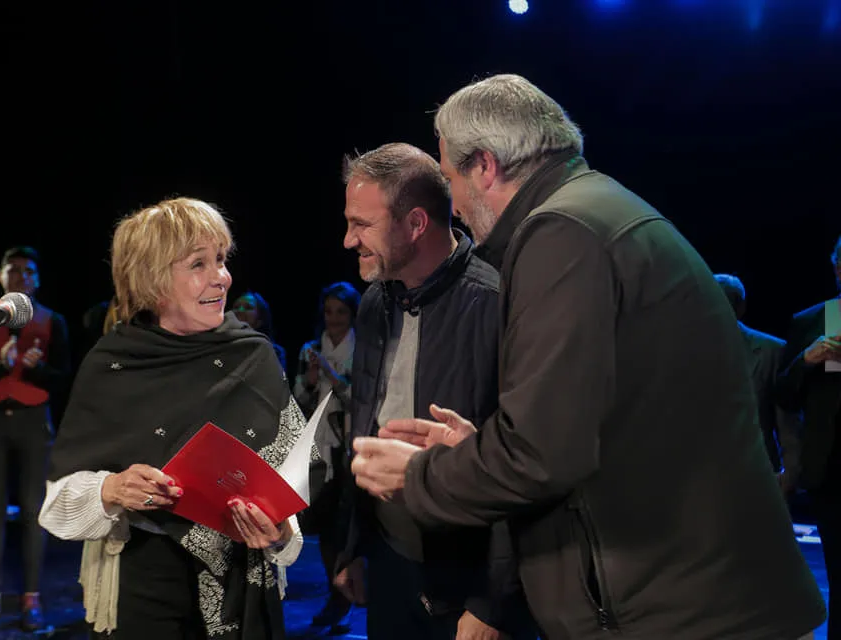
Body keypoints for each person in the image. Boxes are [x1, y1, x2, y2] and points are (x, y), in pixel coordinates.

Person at [350, 74, 825, 639]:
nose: (452, 206)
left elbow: (541, 454)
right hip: (706, 595)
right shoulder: (598, 210)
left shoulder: (560, 234)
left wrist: (420, 475)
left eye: (450, 177)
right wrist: (476, 449)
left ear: (485, 166)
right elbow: (598, 424)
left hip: (683, 610)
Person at [39, 197, 307, 639]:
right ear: (152, 279)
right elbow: (56, 504)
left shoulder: (252, 355)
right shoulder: (112, 364)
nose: (221, 277)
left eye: (221, 259)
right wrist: (112, 488)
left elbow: (292, 476)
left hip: (241, 582)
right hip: (143, 580)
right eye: (198, 264)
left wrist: (278, 530)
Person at [336, 143, 533, 640]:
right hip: (388, 564)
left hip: (468, 586)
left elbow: (529, 467)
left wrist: (495, 603)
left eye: (362, 225)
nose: (348, 240)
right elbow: (364, 424)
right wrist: (352, 546)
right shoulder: (374, 302)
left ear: (416, 224)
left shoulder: (496, 304)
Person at [0, 246, 71, 633]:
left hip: (32, 421)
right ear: (0, 275)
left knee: (32, 510)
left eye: (28, 271)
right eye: (14, 269)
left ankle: (31, 598)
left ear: (37, 280)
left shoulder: (52, 320)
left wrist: (33, 370)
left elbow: (63, 379)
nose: (21, 276)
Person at [777, 235, 841, 639]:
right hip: (832, 469)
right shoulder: (812, 321)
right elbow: (783, 395)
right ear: (836, 268)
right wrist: (806, 359)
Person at [292, 280, 360, 630]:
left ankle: (343, 599)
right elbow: (299, 401)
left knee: (343, 526)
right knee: (323, 526)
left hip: (349, 447)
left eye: (341, 312)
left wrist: (333, 377)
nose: (334, 318)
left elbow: (359, 400)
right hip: (318, 449)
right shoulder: (311, 349)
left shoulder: (363, 349)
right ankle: (336, 595)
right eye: (329, 311)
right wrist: (309, 380)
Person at [714, 273, 802, 492]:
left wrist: (790, 474)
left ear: (740, 307)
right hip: (698, 478)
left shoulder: (772, 351)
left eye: (727, 301)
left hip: (757, 476)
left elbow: (788, 420)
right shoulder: (682, 350)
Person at [230, 291, 287, 371]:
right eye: (236, 307)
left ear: (259, 321)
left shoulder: (274, 351)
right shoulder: (219, 345)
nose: (240, 310)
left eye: (248, 307)